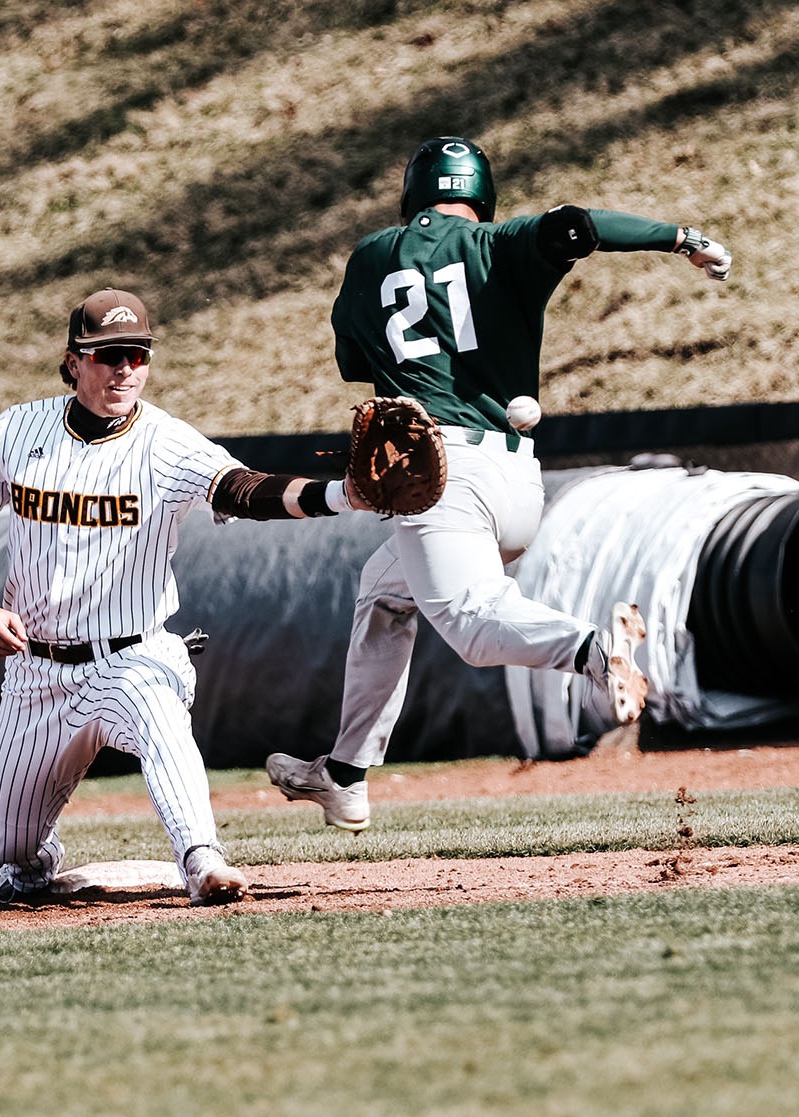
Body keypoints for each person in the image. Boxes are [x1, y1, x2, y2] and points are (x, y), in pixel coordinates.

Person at [266, 136, 734, 832]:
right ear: (480, 193)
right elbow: (579, 223)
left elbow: (349, 360)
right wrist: (682, 238)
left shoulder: (371, 256)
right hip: (517, 480)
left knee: (472, 625)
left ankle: (595, 651)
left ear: (412, 192)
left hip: (434, 476)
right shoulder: (502, 243)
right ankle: (345, 772)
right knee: (384, 594)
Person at [0, 288, 372, 907]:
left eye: (137, 355)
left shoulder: (165, 443)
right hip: (35, 668)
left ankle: (202, 859)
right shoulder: (17, 430)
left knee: (158, 712)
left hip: (131, 653)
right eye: (109, 354)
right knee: (11, 845)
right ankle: (28, 870)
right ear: (72, 362)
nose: (125, 369)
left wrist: (342, 495)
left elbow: (242, 489)